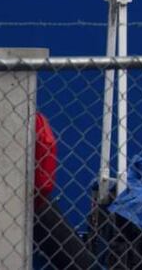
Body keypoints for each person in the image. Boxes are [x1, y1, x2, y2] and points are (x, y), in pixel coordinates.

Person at [34, 112, 93, 270]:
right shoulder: (34, 120)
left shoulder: (33, 120)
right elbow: (43, 183)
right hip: (35, 201)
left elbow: (42, 184)